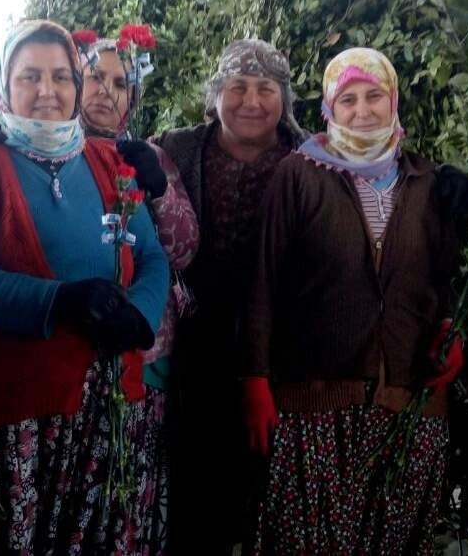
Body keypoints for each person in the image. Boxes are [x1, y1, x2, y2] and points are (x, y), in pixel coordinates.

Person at [0, 20, 170, 554]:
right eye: (29, 76)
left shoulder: (109, 162)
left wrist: (140, 314)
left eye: (61, 76)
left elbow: (151, 254)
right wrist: (59, 300)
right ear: (4, 85)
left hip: (112, 402)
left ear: (76, 84)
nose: (47, 91)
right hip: (27, 417)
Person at [243, 47, 467, 554]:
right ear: (328, 108)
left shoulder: (428, 182)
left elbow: (441, 275)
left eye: (374, 97)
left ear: (394, 102)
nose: (362, 111)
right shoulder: (299, 175)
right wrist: (255, 378)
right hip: (315, 409)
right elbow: (262, 282)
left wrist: (451, 330)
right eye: (348, 99)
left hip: (410, 407)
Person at [152, 38, 308, 554]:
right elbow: (107, 158)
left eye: (266, 88)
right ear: (215, 94)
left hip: (280, 354)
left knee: (268, 495)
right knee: (195, 498)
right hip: (196, 352)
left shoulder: (312, 159)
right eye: (237, 87)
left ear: (284, 99)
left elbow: (378, 165)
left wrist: (441, 179)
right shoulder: (175, 148)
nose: (251, 101)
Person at [79, 36, 200, 553]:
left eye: (120, 83)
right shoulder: (48, 153)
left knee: (134, 497)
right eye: (93, 78)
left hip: (146, 357)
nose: (107, 92)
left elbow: (185, 249)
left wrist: (159, 190)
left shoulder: (150, 154)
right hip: (75, 356)